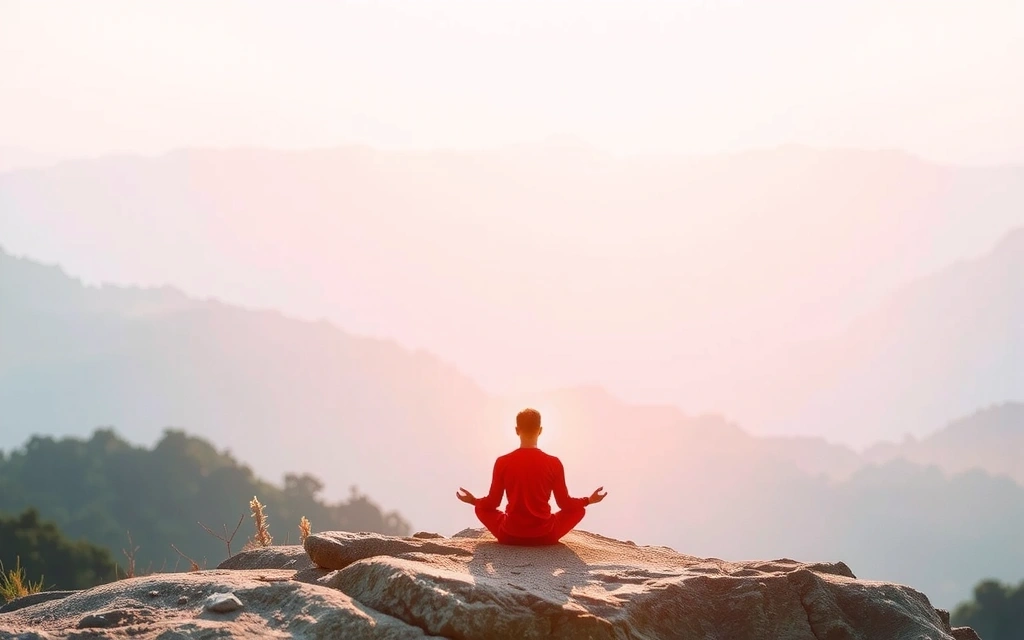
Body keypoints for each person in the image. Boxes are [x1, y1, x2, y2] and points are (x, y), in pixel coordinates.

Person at [456, 408, 607, 545]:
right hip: (545, 535)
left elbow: (492, 502)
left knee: (480, 508)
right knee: (579, 510)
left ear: (517, 430)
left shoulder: (502, 462)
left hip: (509, 535)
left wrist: (473, 501)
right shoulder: (554, 463)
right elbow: (564, 503)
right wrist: (589, 500)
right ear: (540, 430)